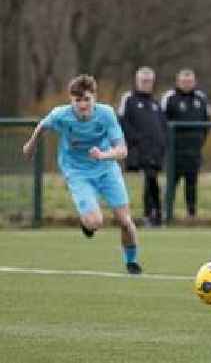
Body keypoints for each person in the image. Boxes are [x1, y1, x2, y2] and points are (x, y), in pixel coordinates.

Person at [22, 75, 142, 274]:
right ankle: (88, 223)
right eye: (78, 100)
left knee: (126, 222)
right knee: (95, 222)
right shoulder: (61, 115)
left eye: (87, 99)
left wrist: (103, 155)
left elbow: (122, 150)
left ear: (95, 98)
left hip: (106, 170)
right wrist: (31, 145)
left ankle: (131, 262)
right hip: (77, 172)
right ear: (71, 100)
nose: (83, 105)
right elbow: (43, 125)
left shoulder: (106, 114)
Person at [118, 67, 167, 226]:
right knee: (145, 181)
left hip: (154, 152)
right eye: (143, 81)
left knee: (153, 183)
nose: (146, 84)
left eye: (149, 81)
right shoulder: (129, 99)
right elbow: (122, 122)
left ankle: (154, 215)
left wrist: (161, 145)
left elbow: (162, 127)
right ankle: (139, 216)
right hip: (136, 152)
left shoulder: (155, 103)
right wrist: (136, 140)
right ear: (137, 81)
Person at [161, 69, 211, 218]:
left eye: (190, 81)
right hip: (174, 152)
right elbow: (161, 122)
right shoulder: (169, 98)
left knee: (192, 184)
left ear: (194, 82)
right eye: (184, 81)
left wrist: (200, 141)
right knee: (171, 183)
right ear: (178, 81)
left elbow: (207, 122)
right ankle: (166, 213)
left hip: (194, 151)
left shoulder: (201, 98)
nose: (187, 84)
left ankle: (191, 214)